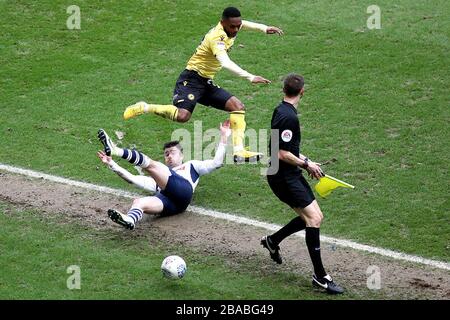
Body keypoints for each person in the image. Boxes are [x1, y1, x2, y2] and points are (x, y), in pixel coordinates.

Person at [123, 6, 283, 163]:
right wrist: (250, 77)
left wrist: (264, 28)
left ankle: (238, 151)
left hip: (205, 81)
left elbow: (244, 24)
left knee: (237, 107)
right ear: (223, 23)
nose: (235, 30)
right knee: (183, 116)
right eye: (232, 26)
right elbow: (225, 62)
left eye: (237, 26)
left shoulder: (233, 26)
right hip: (191, 79)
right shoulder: (216, 38)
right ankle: (145, 107)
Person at [260, 74, 344, 294]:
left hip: (287, 173)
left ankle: (272, 240)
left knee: (311, 217)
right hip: (283, 176)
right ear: (302, 91)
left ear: (284, 90)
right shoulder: (289, 118)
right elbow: (281, 153)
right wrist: (306, 165)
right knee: (313, 218)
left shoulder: (281, 110)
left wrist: (307, 161)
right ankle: (320, 277)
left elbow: (286, 150)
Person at [96, 120, 230, 230]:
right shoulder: (159, 179)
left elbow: (216, 163)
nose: (169, 156)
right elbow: (132, 179)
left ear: (182, 155)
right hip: (171, 205)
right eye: (166, 154)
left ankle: (116, 150)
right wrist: (112, 164)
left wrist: (224, 137)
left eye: (172, 152)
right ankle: (130, 220)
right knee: (138, 202)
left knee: (152, 166)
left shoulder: (191, 165)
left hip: (184, 192)